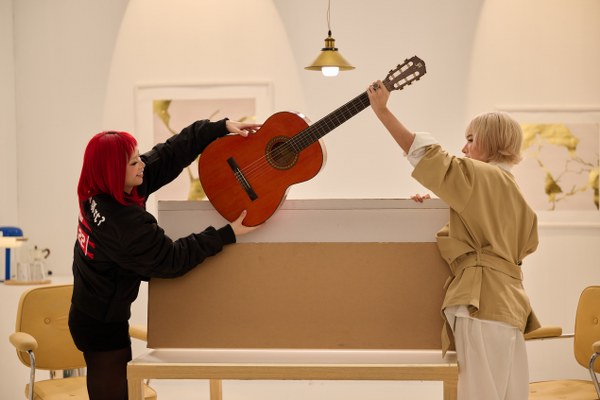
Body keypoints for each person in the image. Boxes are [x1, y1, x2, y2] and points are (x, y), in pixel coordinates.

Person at [368, 81, 540, 400]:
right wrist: (437, 209)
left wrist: (383, 112)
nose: (464, 148)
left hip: (481, 303)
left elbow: (427, 156)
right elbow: (494, 236)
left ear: (492, 141)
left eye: (471, 139)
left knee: (478, 393)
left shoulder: (480, 177)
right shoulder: (513, 192)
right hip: (512, 307)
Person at [69, 118, 262, 400]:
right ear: (113, 170)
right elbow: (171, 259)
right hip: (100, 323)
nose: (142, 165)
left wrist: (219, 128)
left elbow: (169, 153)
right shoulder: (122, 222)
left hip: (94, 312)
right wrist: (226, 234)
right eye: (133, 162)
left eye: (138, 157)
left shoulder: (101, 191)